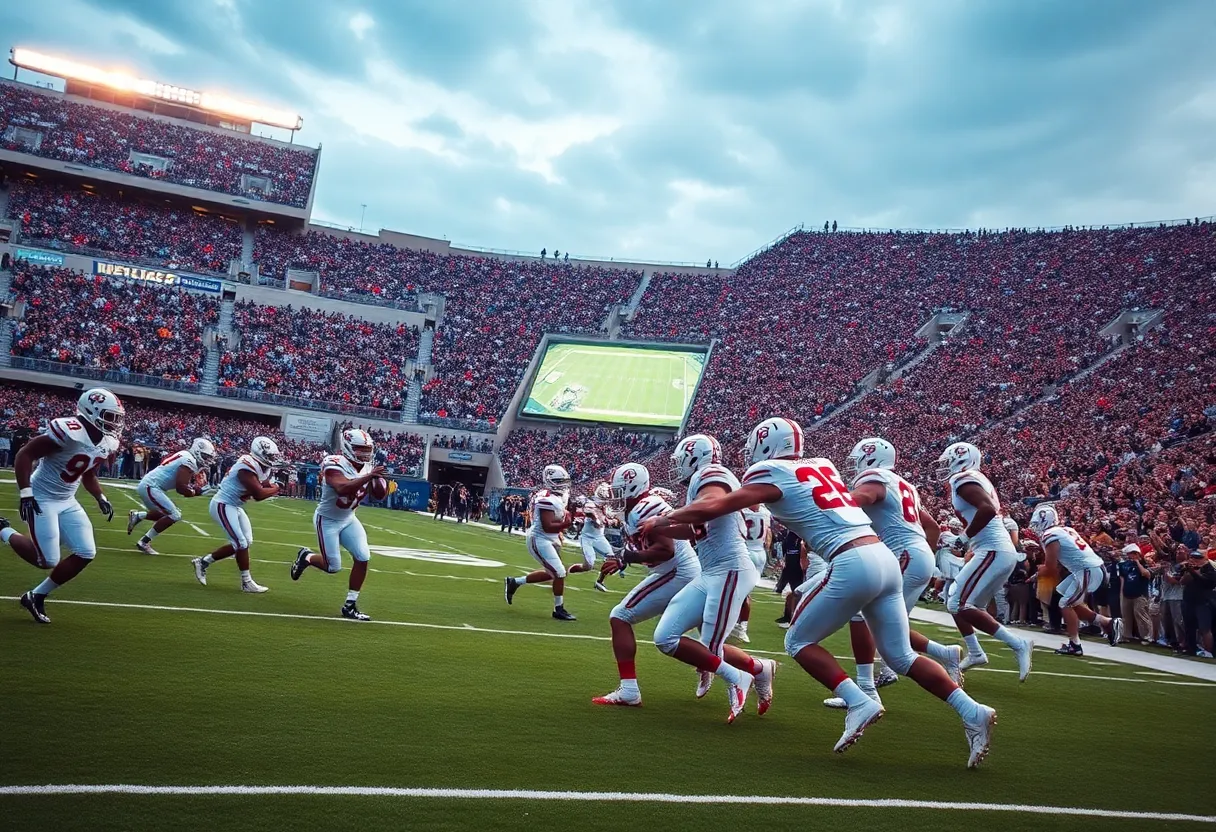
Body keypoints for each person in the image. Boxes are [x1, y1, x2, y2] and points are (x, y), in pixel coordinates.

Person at [642, 417, 996, 767]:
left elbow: (718, 505)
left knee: (797, 641)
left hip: (850, 559)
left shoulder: (769, 471)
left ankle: (859, 702)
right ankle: (972, 710)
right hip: (884, 558)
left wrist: (662, 519)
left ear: (767, 444)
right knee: (901, 656)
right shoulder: (823, 465)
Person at [644, 435, 777, 722]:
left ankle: (740, 678)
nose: (678, 467)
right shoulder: (699, 481)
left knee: (709, 648)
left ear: (695, 456)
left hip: (730, 569)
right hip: (711, 572)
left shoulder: (710, 474)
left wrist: (664, 517)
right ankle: (759, 668)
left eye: (680, 461)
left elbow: (712, 504)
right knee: (666, 637)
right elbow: (695, 531)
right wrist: (661, 529)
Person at [823, 438, 962, 710]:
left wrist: (826, 506)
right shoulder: (902, 484)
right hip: (914, 553)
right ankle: (943, 653)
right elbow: (931, 526)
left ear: (870, 457)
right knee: (884, 623)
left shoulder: (875, 480)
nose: (854, 466)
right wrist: (925, 556)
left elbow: (861, 498)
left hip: (904, 554)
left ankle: (865, 689)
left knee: (860, 613)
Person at [1, 388, 123, 624]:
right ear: (91, 411)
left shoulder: (106, 441)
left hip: (67, 500)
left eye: (117, 418)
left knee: (86, 552)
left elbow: (88, 473)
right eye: (110, 416)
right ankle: (3, 530)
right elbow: (25, 455)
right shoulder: (70, 431)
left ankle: (35, 596)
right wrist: (26, 493)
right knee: (45, 560)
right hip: (41, 496)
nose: (114, 423)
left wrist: (101, 497)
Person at [591, 463, 701, 707]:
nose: (615, 496)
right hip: (676, 570)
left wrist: (625, 557)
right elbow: (646, 547)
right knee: (702, 635)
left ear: (632, 488)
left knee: (620, 616)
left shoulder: (645, 508)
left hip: (676, 571)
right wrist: (623, 559)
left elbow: (664, 550)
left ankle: (629, 691)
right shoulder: (637, 508)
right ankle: (751, 668)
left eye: (619, 491)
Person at [934, 441, 1033, 680]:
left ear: (961, 459)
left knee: (960, 604)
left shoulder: (963, 479)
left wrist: (963, 538)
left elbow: (987, 509)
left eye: (948, 462)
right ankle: (976, 652)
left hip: (992, 549)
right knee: (953, 601)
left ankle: (1018, 643)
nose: (944, 468)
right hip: (990, 549)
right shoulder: (973, 478)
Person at [291, 429, 386, 621]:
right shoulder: (334, 463)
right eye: (360, 449)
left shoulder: (368, 467)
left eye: (367, 450)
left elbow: (379, 495)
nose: (365, 454)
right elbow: (342, 488)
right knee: (332, 566)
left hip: (349, 518)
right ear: (348, 447)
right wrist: (369, 477)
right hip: (327, 520)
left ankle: (350, 605)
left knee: (363, 556)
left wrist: (378, 482)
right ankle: (306, 557)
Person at [191, 437, 281, 593]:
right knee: (241, 543)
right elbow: (259, 494)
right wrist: (277, 487)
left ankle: (203, 562)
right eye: (270, 455)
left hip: (235, 506)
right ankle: (246, 582)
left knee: (245, 542)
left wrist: (271, 486)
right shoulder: (246, 465)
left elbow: (263, 484)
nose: (272, 459)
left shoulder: (259, 465)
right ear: (260, 452)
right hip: (223, 504)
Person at [1029, 504, 1122, 655]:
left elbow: (1051, 567)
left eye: (1037, 523)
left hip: (1087, 570)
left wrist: (1037, 573)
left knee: (1065, 603)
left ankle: (1075, 645)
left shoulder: (1050, 535)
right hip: (1088, 568)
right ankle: (1106, 622)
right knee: (1070, 601)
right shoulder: (1066, 529)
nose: (1035, 527)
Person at [504, 464, 577, 620]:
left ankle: (515, 582)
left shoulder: (558, 496)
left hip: (552, 538)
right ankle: (559, 609)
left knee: (553, 573)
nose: (563, 484)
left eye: (564, 480)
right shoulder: (546, 499)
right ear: (550, 481)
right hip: (540, 538)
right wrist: (566, 523)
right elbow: (548, 526)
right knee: (559, 572)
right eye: (559, 481)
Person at [127, 438, 218, 555]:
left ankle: (138, 516)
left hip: (151, 485)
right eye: (205, 456)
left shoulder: (185, 455)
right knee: (174, 515)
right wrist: (196, 492)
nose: (207, 460)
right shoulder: (189, 460)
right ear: (197, 451)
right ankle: (144, 542)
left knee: (166, 514)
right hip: (151, 486)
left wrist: (193, 489)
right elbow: (181, 487)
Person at [731, 500, 771, 643]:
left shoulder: (740, 511)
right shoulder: (766, 512)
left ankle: (738, 627)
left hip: (745, 552)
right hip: (760, 553)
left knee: (736, 591)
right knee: (744, 592)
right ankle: (741, 626)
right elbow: (768, 536)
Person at [1117, 543, 1153, 642]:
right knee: (1126, 616)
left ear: (1138, 554)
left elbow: (1146, 574)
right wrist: (1122, 593)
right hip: (1127, 593)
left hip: (1140, 594)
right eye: (1129, 554)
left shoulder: (1146, 563)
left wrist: (1138, 562)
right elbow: (1122, 579)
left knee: (1141, 615)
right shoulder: (1125, 565)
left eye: (1133, 554)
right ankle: (1126, 635)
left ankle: (1146, 636)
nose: (1130, 556)